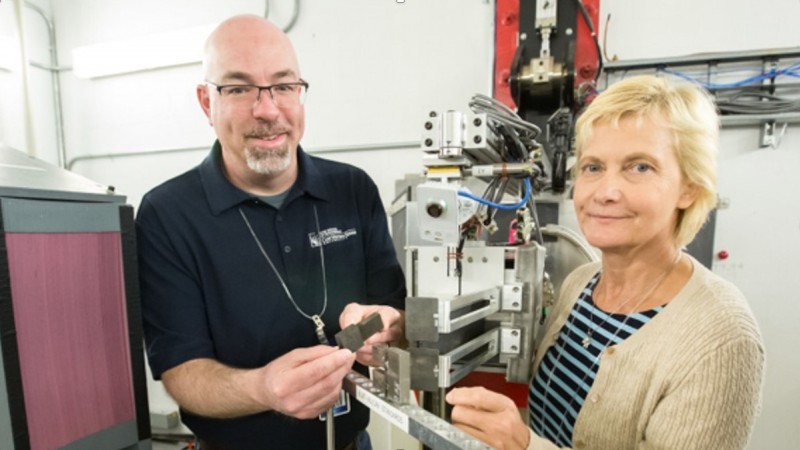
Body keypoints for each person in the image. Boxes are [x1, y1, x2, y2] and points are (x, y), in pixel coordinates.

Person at [446, 75, 765, 449]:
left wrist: (525, 446)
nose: (605, 192)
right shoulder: (581, 283)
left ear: (689, 187)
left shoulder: (722, 340)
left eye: (640, 167)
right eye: (593, 167)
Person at [136, 15, 406, 450]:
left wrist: (388, 328)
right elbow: (181, 370)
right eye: (239, 88)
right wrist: (262, 388)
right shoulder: (168, 214)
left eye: (283, 85)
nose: (268, 109)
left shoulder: (352, 189)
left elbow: (398, 315)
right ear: (207, 103)